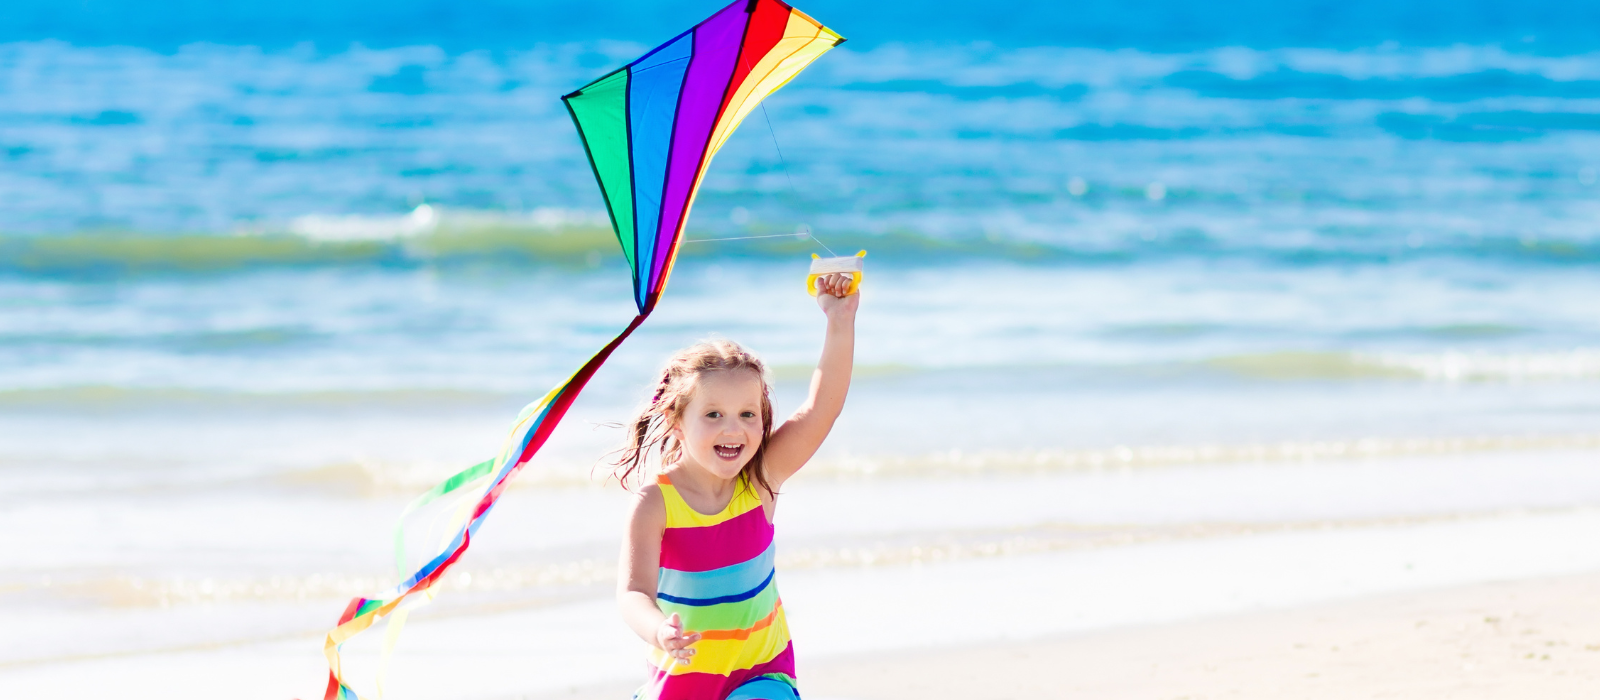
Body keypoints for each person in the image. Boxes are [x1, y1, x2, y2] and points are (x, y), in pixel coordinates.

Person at [609, 272, 859, 700]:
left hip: (761, 675)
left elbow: (821, 410)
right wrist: (658, 629)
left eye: (748, 414)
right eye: (713, 415)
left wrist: (840, 319)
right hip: (683, 682)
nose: (734, 429)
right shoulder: (656, 502)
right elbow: (633, 592)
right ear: (676, 420)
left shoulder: (761, 479)